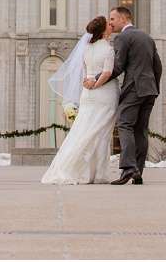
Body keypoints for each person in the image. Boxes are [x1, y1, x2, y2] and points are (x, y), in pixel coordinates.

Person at [41, 15, 119, 185]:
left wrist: (89, 84)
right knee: (103, 134)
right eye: (108, 24)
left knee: (83, 131)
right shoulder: (108, 50)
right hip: (104, 94)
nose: (111, 25)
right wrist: (97, 84)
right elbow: (106, 73)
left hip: (88, 95)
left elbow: (85, 73)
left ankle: (84, 171)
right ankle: (100, 174)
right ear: (104, 30)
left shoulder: (87, 49)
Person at [96, 5, 162, 184]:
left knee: (125, 125)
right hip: (149, 91)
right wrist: (154, 87)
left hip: (134, 89)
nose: (110, 22)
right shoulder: (147, 37)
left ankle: (127, 168)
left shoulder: (123, 37)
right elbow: (158, 66)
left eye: (112, 19)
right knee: (141, 131)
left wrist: (96, 79)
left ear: (123, 19)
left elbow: (117, 67)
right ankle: (137, 173)